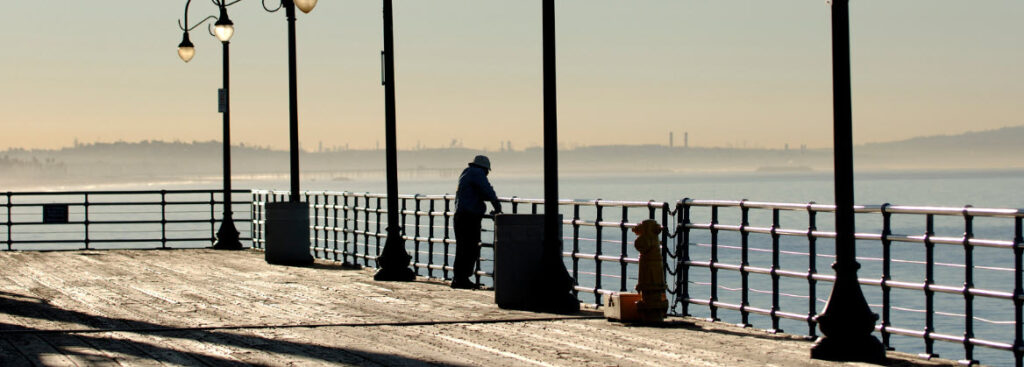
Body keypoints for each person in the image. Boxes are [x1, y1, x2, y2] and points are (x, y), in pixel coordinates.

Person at [452, 155, 502, 289]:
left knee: (462, 248)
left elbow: (478, 191)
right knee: (470, 248)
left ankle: (458, 278)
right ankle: (462, 278)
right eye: (487, 171)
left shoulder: (466, 172)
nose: (487, 174)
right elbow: (487, 190)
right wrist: (496, 205)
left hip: (460, 215)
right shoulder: (477, 173)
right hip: (469, 217)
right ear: (484, 168)